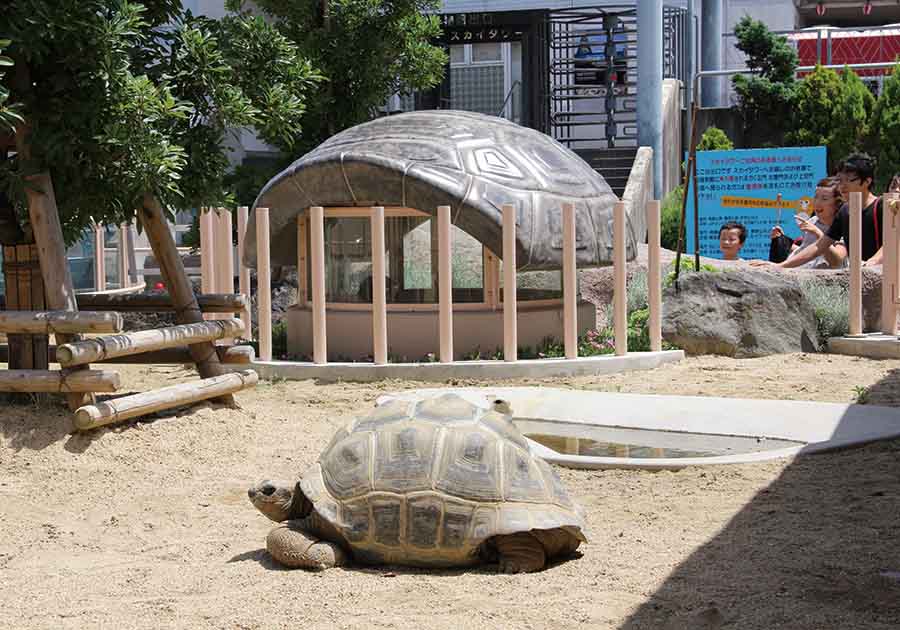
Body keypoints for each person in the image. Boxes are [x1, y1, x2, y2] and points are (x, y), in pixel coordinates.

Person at [755, 177, 843, 269]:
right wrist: (783, 241)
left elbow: (837, 262)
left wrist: (818, 233)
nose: (817, 203)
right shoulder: (813, 221)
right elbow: (806, 251)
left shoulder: (844, 226)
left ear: (838, 203)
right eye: (816, 197)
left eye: (824, 199)